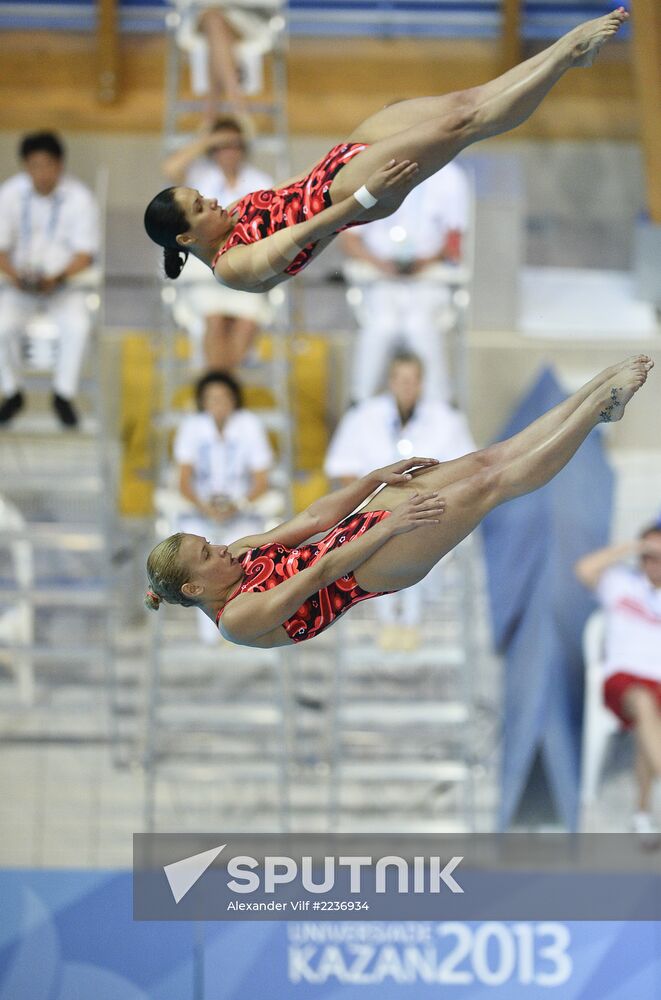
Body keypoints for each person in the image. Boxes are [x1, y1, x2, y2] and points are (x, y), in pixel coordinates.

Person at [144, 355, 653, 651]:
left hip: (354, 536)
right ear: (193, 586)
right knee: (490, 486)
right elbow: (317, 577)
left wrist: (372, 480)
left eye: (209, 542)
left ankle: (594, 394)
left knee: (483, 461)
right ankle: (592, 417)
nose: (221, 549)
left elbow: (312, 521)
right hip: (367, 571)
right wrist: (387, 527)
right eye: (208, 554)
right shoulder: (236, 619)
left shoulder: (242, 551)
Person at [144, 9, 629, 293]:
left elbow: (291, 200)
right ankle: (566, 56)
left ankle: (569, 53)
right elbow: (312, 229)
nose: (209, 200)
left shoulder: (229, 216)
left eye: (198, 194)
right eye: (197, 207)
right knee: (464, 124)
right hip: (350, 193)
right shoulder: (232, 267)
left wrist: (339, 163)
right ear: (186, 239)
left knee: (465, 100)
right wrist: (366, 201)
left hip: (337, 165)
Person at [324, 350, 475, 649]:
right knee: (379, 543)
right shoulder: (362, 416)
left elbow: (466, 468)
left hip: (430, 511)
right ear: (390, 381)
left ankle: (411, 622)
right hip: (373, 512)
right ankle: (388, 622)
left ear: (422, 382)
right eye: (401, 379)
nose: (407, 385)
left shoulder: (446, 419)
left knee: (418, 539)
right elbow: (342, 468)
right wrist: (370, 508)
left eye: (413, 379)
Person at [341, 162, 469, 403]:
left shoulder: (451, 177)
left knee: (419, 327)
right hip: (379, 277)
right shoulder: (374, 169)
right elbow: (350, 240)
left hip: (428, 278)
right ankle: (360, 403)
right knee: (382, 326)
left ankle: (437, 406)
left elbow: (454, 242)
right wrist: (381, 265)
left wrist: (425, 262)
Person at [0, 131, 100, 427]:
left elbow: (85, 253)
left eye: (48, 165)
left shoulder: (80, 198)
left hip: (63, 285)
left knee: (78, 325)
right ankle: (12, 391)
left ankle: (63, 394)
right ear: (25, 166)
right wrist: (15, 275)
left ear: (60, 165)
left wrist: (56, 278)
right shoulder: (9, 194)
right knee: (1, 325)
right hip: (19, 283)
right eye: (34, 165)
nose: (42, 173)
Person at [170, 368, 275, 640]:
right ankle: (213, 633)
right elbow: (183, 480)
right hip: (200, 509)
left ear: (234, 399)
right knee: (195, 561)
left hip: (240, 508)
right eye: (211, 398)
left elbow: (261, 479)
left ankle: (239, 625)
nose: (218, 404)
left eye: (224, 397)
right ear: (203, 401)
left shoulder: (249, 424)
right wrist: (205, 508)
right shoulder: (192, 426)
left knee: (239, 556)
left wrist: (238, 505)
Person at [162, 117, 274, 369]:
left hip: (245, 264)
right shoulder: (198, 179)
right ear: (212, 150)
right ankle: (217, 389)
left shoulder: (260, 181)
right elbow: (170, 168)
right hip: (204, 268)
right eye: (222, 146)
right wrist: (210, 138)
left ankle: (222, 389)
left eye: (234, 145)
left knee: (247, 322)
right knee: (214, 321)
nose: (229, 152)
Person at [575, 521, 661, 839]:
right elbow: (584, 569)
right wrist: (635, 547)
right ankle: (642, 812)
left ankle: (641, 813)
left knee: (650, 719)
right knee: (643, 701)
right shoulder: (620, 583)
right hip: (623, 681)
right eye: (650, 555)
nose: (655, 561)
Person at [171, 0, 283, 119]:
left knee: (215, 24)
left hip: (251, 17)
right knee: (214, 20)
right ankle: (238, 104)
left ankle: (211, 113)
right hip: (203, 16)